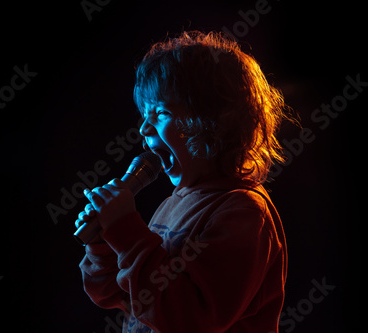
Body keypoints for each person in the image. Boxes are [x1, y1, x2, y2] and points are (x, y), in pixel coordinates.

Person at [76, 31, 292, 332]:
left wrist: (126, 230)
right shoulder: (174, 203)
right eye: (144, 113)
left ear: (212, 124)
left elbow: (190, 317)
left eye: (161, 112)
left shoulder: (244, 213)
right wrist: (103, 243)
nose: (143, 128)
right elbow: (118, 296)